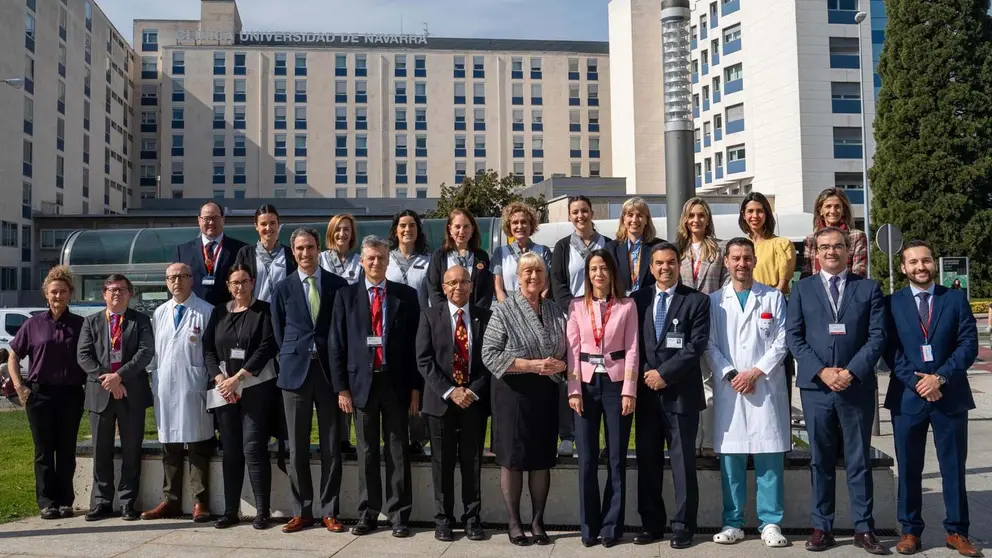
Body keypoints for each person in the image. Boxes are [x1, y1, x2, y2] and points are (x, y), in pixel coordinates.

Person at [786, 226, 888, 554]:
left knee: (859, 459)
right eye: (825, 247)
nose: (831, 252)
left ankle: (864, 528)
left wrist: (851, 371)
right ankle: (822, 527)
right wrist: (822, 371)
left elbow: (877, 336)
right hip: (816, 388)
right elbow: (793, 336)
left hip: (855, 387)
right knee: (821, 460)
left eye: (838, 246)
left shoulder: (868, 288)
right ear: (816, 253)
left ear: (848, 251)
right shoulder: (802, 289)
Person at [884, 240, 982, 557]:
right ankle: (910, 531)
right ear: (903, 268)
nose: (920, 267)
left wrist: (939, 377)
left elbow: (968, 344)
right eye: (913, 262)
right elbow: (889, 350)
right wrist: (918, 383)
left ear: (933, 263)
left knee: (953, 467)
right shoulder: (891, 303)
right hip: (907, 397)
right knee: (909, 467)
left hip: (949, 394)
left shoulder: (954, 299)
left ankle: (957, 531)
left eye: (925, 260)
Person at [331, 235, 422, 538]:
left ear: (388, 260)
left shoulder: (406, 296)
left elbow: (415, 346)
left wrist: (416, 388)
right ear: (361, 261)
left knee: (397, 450)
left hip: (395, 384)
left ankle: (399, 515)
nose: (375, 263)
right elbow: (336, 345)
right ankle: (368, 513)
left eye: (381, 258)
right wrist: (342, 389)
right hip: (361, 384)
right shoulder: (345, 297)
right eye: (370, 258)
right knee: (366, 451)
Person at [703, 238, 790, 548]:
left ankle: (771, 523)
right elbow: (709, 344)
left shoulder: (773, 297)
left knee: (769, 456)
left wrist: (755, 372)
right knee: (732, 458)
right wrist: (731, 374)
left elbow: (782, 341)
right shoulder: (715, 301)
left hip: (764, 386)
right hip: (730, 389)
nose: (742, 263)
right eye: (736, 258)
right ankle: (733, 522)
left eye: (747, 258)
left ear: (754, 260)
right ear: (726, 261)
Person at [481, 252, 568, 547]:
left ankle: (538, 521)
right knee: (513, 460)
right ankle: (514, 522)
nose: (533, 277)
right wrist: (530, 365)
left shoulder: (555, 310)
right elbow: (489, 353)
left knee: (542, 458)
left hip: (546, 393)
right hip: (513, 394)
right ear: (517, 277)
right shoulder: (504, 310)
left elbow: (567, 349)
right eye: (528, 272)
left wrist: (562, 364)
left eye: (539, 272)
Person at [270, 227, 350, 534]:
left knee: (331, 445)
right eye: (300, 248)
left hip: (329, 373)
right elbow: (279, 332)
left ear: (319, 249)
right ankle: (301, 511)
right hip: (295, 373)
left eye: (311, 247)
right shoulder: (283, 288)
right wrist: (294, 355)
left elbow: (342, 329)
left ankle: (330, 511)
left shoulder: (337, 285)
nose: (306, 253)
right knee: (296, 446)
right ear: (293, 252)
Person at [631, 242, 710, 549]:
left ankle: (683, 526)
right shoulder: (638, 300)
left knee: (682, 463)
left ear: (679, 265)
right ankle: (651, 524)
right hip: (646, 394)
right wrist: (648, 374)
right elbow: (633, 343)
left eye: (671, 262)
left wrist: (663, 374)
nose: (665, 268)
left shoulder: (697, 300)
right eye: (659, 263)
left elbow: (695, 346)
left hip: (681, 396)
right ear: (651, 268)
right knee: (647, 461)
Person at [566, 249, 638, 548]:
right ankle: (589, 526)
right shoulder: (576, 306)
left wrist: (629, 390)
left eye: (604, 268)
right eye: (594, 269)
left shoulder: (627, 305)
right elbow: (571, 349)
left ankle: (611, 526)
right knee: (586, 458)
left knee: (617, 457)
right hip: (585, 384)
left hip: (615, 383)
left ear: (612, 272)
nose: (599, 274)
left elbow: (632, 348)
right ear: (588, 274)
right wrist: (573, 389)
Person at [416, 265, 492, 542]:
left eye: (463, 282)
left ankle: (472, 518)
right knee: (442, 463)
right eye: (452, 283)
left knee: (472, 462)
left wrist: (470, 391)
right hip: (441, 403)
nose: (458, 287)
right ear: (444, 287)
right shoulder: (429, 315)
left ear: (471, 286)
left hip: (473, 402)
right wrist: (450, 391)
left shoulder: (486, 317)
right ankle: (443, 519)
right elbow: (424, 360)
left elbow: (490, 359)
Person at [5, 266, 86, 520]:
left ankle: (65, 501)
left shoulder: (81, 325)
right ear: (46, 295)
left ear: (70, 294)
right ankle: (47, 502)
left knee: (66, 450)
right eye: (53, 292)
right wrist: (19, 386)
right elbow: (13, 356)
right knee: (43, 451)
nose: (58, 296)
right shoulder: (33, 324)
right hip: (40, 396)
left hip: (71, 395)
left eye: (63, 291)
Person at [204, 264, 280, 529]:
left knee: (254, 448)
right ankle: (230, 511)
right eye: (235, 282)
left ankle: (262, 511)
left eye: (244, 281)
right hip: (225, 390)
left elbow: (267, 347)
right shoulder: (218, 312)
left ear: (253, 282)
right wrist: (220, 379)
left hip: (255, 387)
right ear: (228, 285)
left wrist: (238, 378)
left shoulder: (265, 311)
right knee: (231, 450)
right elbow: (208, 349)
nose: (240, 287)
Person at [77, 274, 155, 521]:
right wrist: (109, 381)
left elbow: (145, 352)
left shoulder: (141, 320)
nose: (117, 293)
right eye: (112, 289)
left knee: (132, 449)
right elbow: (84, 356)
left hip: (132, 393)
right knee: (101, 450)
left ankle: (127, 502)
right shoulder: (91, 322)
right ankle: (102, 502)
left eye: (122, 289)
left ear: (130, 294)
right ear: (104, 294)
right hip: (100, 394)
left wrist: (119, 377)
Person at [141, 263, 214, 524]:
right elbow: (155, 352)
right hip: (166, 385)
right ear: (166, 281)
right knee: (169, 446)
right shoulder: (160, 312)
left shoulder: (206, 311)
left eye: (182, 276)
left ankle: (200, 502)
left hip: (194, 385)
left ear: (191, 280)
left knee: (197, 444)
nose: (176, 282)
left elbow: (211, 352)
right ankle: (170, 500)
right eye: (171, 277)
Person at [550, 195, 612, 457]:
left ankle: (608, 439)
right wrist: (577, 309)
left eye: (584, 211)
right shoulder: (563, 246)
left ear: (592, 213)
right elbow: (557, 283)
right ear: (569, 216)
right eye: (575, 212)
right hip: (573, 317)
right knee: (571, 375)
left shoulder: (608, 244)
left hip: (606, 318)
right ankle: (568, 435)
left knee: (604, 376)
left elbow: (614, 278)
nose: (580, 216)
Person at [675, 196, 728, 458]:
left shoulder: (719, 250)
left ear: (708, 220)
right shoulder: (677, 251)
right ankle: (692, 438)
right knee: (686, 385)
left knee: (709, 383)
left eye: (701, 215)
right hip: (682, 326)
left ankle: (709, 439)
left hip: (710, 322)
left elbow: (726, 285)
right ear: (685, 220)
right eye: (692, 215)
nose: (696, 220)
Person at [385, 209, 432, 455]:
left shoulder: (428, 260)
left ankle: (418, 438)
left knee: (418, 382)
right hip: (390, 331)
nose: (407, 230)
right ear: (395, 230)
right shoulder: (386, 258)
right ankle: (394, 436)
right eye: (402, 225)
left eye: (412, 225)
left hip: (420, 328)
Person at [174, 200, 249, 306]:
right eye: (206, 218)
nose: (211, 222)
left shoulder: (240, 249)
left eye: (215, 218)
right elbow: (174, 282)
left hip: (229, 310)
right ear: (199, 220)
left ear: (223, 219)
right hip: (194, 311)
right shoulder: (183, 251)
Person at [426, 208, 494, 309]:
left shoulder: (482, 256)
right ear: (450, 229)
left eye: (466, 226)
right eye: (457, 227)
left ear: (472, 229)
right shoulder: (439, 256)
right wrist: (445, 313)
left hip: (475, 316)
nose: (462, 231)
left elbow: (487, 290)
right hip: (445, 316)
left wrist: (476, 314)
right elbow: (433, 289)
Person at [234, 204, 297, 304]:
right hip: (254, 311)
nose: (268, 228)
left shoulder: (290, 254)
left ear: (278, 224)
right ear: (256, 226)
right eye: (263, 224)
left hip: (284, 311)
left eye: (272, 223)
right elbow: (236, 284)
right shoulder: (245, 253)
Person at [492, 202, 552, 302]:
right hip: (509, 308)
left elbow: (546, 284)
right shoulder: (500, 253)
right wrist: (510, 309)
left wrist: (537, 305)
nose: (519, 226)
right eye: (515, 222)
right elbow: (498, 289)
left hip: (538, 306)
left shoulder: (543, 251)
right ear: (509, 226)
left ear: (531, 225)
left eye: (524, 222)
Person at [801, 188, 868, 278]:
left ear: (843, 210)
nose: (833, 211)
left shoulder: (856, 237)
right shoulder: (811, 239)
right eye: (828, 206)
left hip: (848, 285)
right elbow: (806, 272)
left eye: (837, 207)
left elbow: (859, 271)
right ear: (820, 210)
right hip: (817, 286)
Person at [740, 192, 796, 295]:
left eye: (760, 211)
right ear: (744, 215)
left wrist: (769, 299)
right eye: (750, 211)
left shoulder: (782, 245)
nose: (755, 216)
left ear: (766, 214)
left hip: (772, 298)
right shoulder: (741, 246)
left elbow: (783, 284)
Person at [610, 196, 662, 295]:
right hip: (621, 302)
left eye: (640, 215)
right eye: (630, 215)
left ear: (646, 220)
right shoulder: (611, 248)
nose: (634, 220)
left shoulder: (659, 247)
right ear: (623, 219)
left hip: (650, 301)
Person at [319, 213, 363, 284]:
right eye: (337, 229)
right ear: (331, 233)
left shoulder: (360, 262)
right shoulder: (321, 259)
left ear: (352, 233)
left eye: (346, 229)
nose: (341, 234)